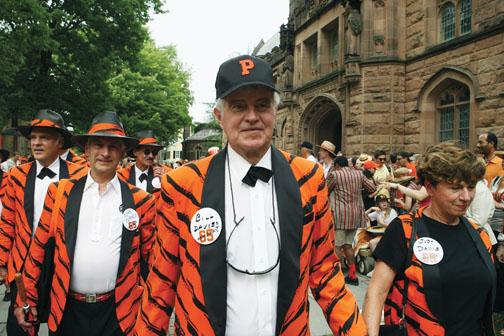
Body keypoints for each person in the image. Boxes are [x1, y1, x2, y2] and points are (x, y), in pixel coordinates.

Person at [134, 55, 366, 335]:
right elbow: (161, 283)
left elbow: (326, 272)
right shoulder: (182, 184)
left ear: (275, 112)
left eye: (262, 105)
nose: (252, 116)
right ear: (220, 116)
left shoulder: (308, 178)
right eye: (239, 106)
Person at [15, 111, 156, 336]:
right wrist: (26, 298)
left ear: (122, 152)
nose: (105, 153)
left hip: (119, 313)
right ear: (87, 150)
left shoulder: (142, 201)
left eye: (113, 146)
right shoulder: (60, 192)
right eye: (98, 145)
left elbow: (151, 262)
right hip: (66, 310)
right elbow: (37, 250)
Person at [363, 141, 495, 336]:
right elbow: (376, 293)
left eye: (471, 186)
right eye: (455, 188)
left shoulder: (480, 235)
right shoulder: (405, 229)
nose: (466, 196)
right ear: (429, 187)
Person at [0, 109, 88, 336]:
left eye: (44, 138)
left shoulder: (80, 175)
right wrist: (2, 262)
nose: (36, 143)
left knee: (61, 327)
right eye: (33, 138)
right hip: (24, 262)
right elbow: (7, 221)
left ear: (60, 143)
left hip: (63, 263)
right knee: (20, 327)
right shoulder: (16, 176)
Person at [327, 155, 376, 286]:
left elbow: (325, 190)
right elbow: (373, 189)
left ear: (337, 165)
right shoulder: (359, 174)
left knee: (337, 245)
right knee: (348, 245)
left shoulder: (335, 175)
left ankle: (335, 276)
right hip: (355, 214)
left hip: (340, 215)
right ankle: (353, 275)